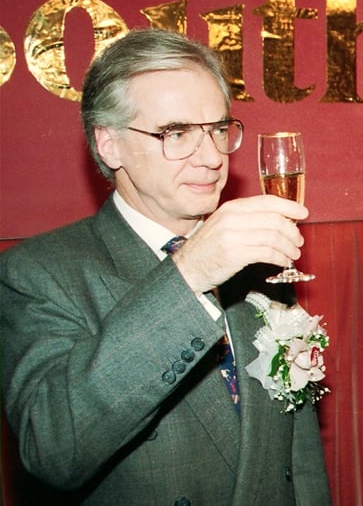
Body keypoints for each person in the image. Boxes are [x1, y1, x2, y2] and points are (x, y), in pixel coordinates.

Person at [0, 29, 331, 504]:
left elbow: (296, 459)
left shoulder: (257, 261)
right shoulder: (40, 273)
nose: (214, 157)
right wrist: (189, 273)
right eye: (176, 133)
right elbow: (53, 449)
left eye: (219, 129)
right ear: (109, 145)